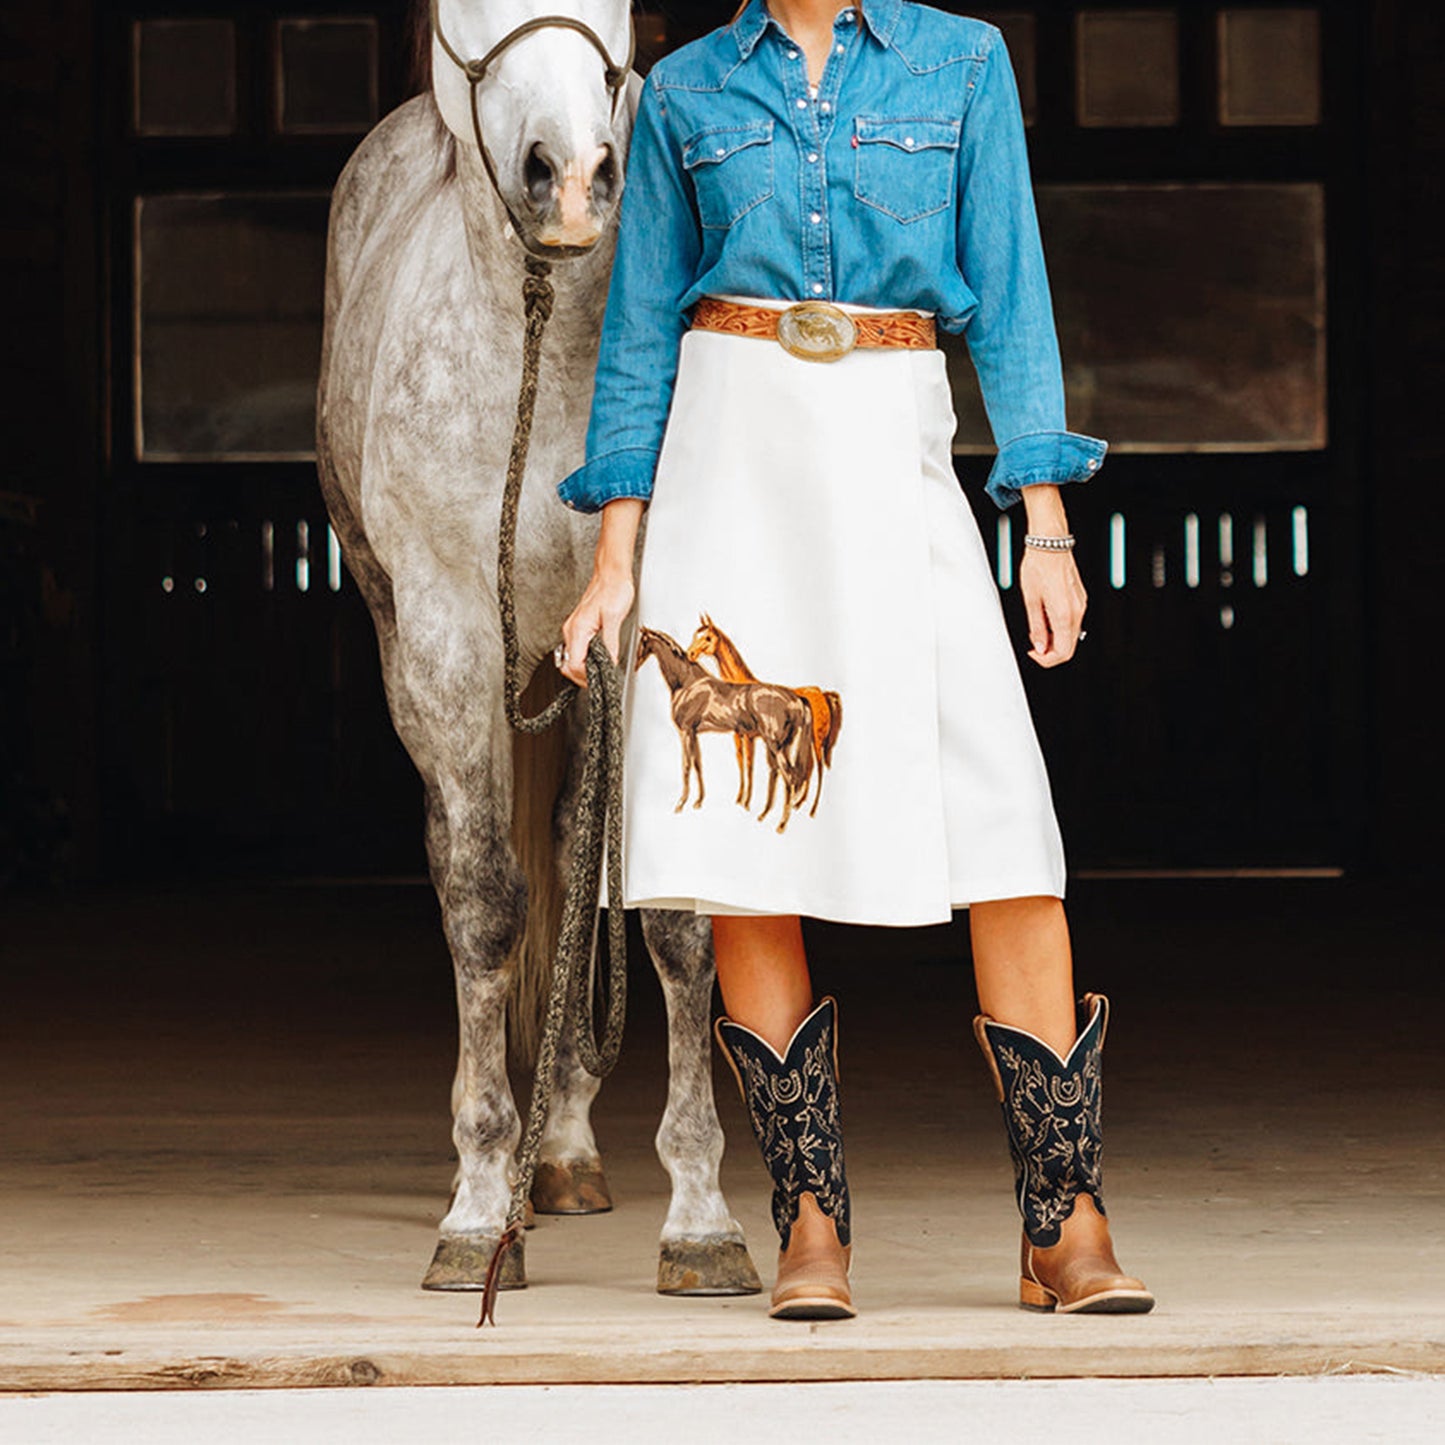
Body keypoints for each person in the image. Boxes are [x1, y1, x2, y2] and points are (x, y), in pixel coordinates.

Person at [555, 0, 1153, 1322]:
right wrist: (615, 558)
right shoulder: (685, 90)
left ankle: (1064, 1220)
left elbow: (1008, 292)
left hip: (896, 445)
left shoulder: (961, 61)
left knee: (1002, 826)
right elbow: (641, 329)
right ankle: (808, 1223)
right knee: (748, 847)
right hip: (729, 459)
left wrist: (1041, 518)